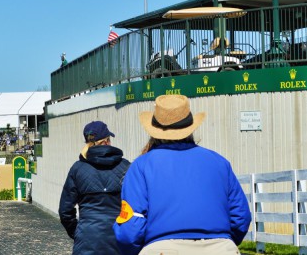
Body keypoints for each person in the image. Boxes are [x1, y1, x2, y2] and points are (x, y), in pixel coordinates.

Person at [113, 95, 251, 255]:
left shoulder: (141, 166)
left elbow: (131, 228)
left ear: (154, 131)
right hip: (220, 248)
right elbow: (241, 217)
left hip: (162, 249)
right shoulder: (219, 163)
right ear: (191, 127)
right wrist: (222, 241)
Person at [58, 121, 130, 255]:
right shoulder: (125, 166)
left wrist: (79, 232)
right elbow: (136, 205)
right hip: (118, 237)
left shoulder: (78, 168)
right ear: (106, 141)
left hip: (87, 238)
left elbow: (65, 211)